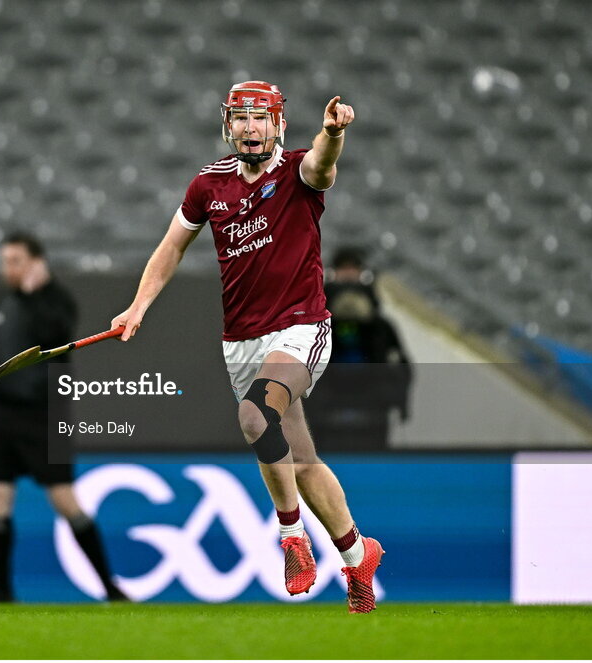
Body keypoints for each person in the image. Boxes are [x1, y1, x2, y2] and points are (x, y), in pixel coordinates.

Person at [112, 82, 384, 613]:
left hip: (302, 328)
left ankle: (292, 539)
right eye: (241, 118)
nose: (251, 128)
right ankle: (357, 556)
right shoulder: (207, 186)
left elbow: (324, 166)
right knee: (302, 463)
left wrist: (332, 133)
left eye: (262, 118)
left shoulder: (299, 172)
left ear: (279, 126)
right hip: (240, 342)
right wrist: (139, 305)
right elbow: (171, 247)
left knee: (256, 414)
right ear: (228, 124)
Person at [0, 232, 126, 602]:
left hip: (44, 415)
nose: (8, 269)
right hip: (2, 412)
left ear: (36, 262)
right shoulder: (2, 301)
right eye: (5, 261)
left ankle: (110, 587)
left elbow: (56, 337)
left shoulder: (56, 301)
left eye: (15, 261)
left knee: (65, 500)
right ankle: (2, 588)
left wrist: (35, 296)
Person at [307, 247, 412, 451]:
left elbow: (400, 366)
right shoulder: (314, 326)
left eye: (353, 269)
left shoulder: (381, 327)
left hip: (372, 413)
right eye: (342, 269)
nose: (348, 275)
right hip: (325, 415)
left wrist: (396, 401)